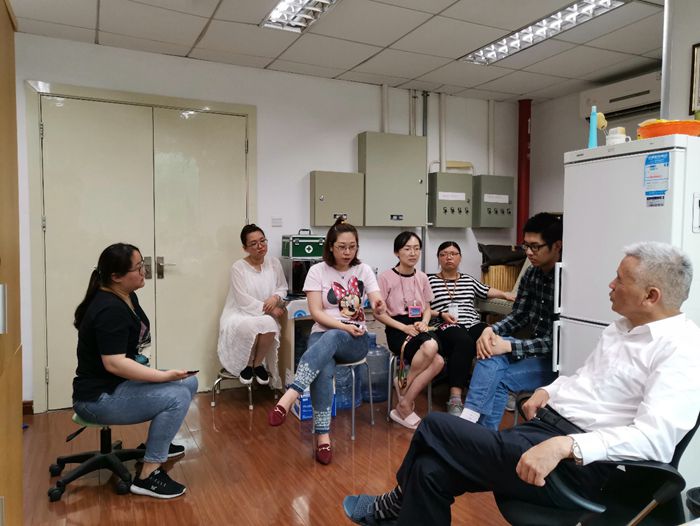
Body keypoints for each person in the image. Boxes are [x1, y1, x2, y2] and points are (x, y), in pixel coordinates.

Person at [343, 241, 700, 526]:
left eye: (620, 279)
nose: (611, 284)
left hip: (579, 465)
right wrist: (548, 390)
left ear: (651, 296)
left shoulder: (682, 349)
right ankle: (398, 503)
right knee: (428, 471)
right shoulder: (620, 329)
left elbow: (655, 440)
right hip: (544, 430)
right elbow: (585, 381)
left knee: (435, 426)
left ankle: (394, 503)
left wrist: (567, 446)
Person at [72, 243, 198, 499]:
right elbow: (114, 363)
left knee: (188, 383)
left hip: (116, 384)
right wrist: (163, 376)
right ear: (116, 276)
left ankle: (155, 445)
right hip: (97, 398)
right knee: (177, 396)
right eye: (138, 267)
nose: (144, 271)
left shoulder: (126, 295)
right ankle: (148, 476)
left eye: (143, 265)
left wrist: (164, 376)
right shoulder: (109, 308)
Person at [268, 217, 385, 464]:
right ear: (331, 246)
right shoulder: (317, 271)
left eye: (352, 247)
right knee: (324, 364)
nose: (347, 252)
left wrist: (377, 303)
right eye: (342, 247)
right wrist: (342, 325)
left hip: (355, 340)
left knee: (331, 337)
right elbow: (316, 312)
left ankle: (291, 394)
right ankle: (323, 438)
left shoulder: (363, 270)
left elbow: (375, 296)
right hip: (324, 335)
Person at [461, 212, 562, 429]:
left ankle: (475, 431)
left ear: (557, 246)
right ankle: (472, 425)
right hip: (533, 351)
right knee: (489, 354)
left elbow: (558, 343)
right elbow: (519, 315)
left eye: (535, 246)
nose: (529, 252)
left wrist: (508, 345)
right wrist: (491, 330)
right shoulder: (531, 275)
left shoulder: (568, 279)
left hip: (556, 363)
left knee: (499, 378)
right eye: (526, 246)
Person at [428, 241, 515, 416]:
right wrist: (440, 314)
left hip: (472, 322)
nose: (449, 257)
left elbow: (486, 290)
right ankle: (455, 398)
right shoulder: (429, 280)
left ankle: (501, 388)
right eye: (444, 254)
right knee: (464, 341)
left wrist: (505, 294)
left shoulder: (468, 280)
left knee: (492, 338)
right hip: (446, 324)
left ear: (460, 258)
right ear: (438, 258)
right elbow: (422, 308)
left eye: (453, 254)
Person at [374, 232, 441, 429]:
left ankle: (403, 397)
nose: (413, 253)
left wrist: (424, 322)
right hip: (397, 328)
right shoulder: (385, 278)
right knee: (431, 348)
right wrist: (404, 327)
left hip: (419, 325)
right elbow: (378, 314)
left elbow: (427, 307)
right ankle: (403, 386)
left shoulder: (422, 277)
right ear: (397, 252)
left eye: (416, 249)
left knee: (438, 361)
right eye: (407, 249)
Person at [217, 224, 288, 388]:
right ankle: (247, 365)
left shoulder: (274, 263)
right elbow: (242, 299)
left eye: (262, 241)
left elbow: (283, 287)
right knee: (252, 326)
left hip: (264, 314)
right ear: (245, 248)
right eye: (254, 243)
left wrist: (275, 297)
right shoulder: (238, 267)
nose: (260, 246)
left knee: (269, 324)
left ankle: (257, 364)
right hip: (240, 313)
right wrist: (271, 308)